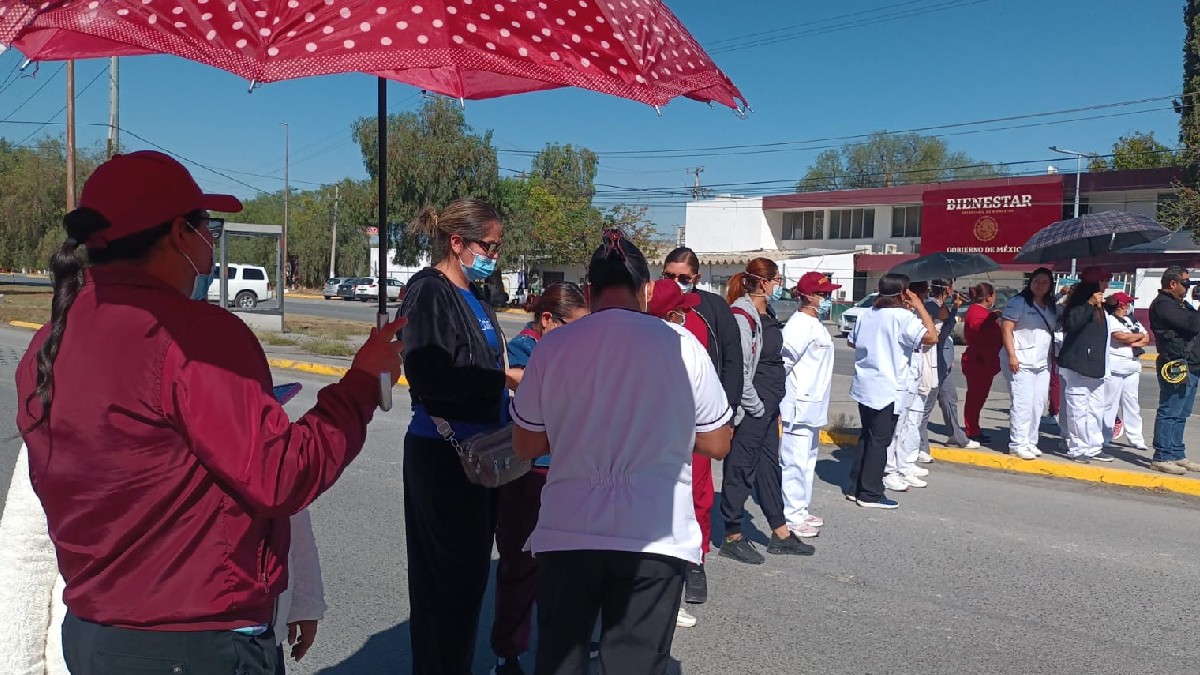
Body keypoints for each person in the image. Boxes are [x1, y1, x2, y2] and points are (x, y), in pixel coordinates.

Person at [12, 151, 404, 674]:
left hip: (92, 635)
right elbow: (281, 476)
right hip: (195, 643)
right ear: (180, 233)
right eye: (207, 228)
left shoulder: (51, 338)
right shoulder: (194, 335)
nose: (210, 243)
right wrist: (360, 385)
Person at [511, 229, 732, 675]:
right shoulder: (683, 346)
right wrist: (664, 428)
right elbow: (717, 442)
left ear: (588, 290)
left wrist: (575, 428)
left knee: (559, 662)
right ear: (646, 289)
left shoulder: (554, 346)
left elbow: (526, 444)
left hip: (569, 530)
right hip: (655, 535)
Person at [0, 445, 329, 675]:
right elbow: (26, 552)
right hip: (120, 646)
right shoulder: (69, 409)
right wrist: (19, 667)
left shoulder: (248, 397)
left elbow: (287, 505)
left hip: (253, 641)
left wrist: (304, 601)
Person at [396, 197, 513, 675]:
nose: (494, 256)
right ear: (457, 242)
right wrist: (503, 379)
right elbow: (430, 375)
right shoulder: (429, 292)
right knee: (444, 588)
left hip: (482, 455)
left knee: (466, 586)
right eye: (489, 246)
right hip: (444, 455)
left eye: (499, 247)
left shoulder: (476, 296)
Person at [491, 283, 588, 675]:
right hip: (529, 473)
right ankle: (508, 652)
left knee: (570, 565)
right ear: (547, 319)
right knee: (521, 564)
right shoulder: (522, 351)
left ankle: (570, 642)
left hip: (570, 470)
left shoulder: (572, 352)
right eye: (575, 327)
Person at [661, 248, 744, 603]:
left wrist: (727, 415)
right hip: (658, 421)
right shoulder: (651, 306)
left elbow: (733, 362)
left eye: (683, 278)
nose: (675, 283)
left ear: (695, 277)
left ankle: (696, 561)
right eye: (669, 275)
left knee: (699, 494)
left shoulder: (712, 309)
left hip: (699, 421)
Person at [719, 257, 815, 564]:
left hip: (770, 404)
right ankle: (732, 535)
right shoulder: (742, 315)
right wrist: (757, 407)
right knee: (741, 466)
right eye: (776, 280)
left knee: (769, 467)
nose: (779, 286)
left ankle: (780, 533)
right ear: (763, 282)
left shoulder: (767, 312)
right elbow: (740, 369)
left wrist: (772, 408)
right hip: (755, 405)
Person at [646, 278, 714, 628]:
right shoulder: (684, 347)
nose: (686, 317)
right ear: (672, 314)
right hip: (668, 464)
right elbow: (717, 442)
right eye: (682, 311)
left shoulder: (622, 346)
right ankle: (664, 609)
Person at [846, 274, 938, 509]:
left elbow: (851, 342)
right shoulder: (902, 317)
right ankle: (870, 493)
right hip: (888, 388)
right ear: (903, 293)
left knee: (867, 436)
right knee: (880, 441)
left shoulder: (866, 313)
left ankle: (856, 488)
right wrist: (919, 306)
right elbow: (931, 337)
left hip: (866, 384)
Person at [779, 272, 839, 538]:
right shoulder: (798, 326)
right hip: (798, 406)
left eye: (828, 294)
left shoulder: (815, 323)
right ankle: (791, 516)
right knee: (794, 462)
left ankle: (801, 509)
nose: (827, 299)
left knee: (807, 461)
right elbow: (783, 364)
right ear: (808, 296)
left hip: (813, 405)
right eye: (823, 295)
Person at [999, 268, 1057, 460]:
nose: (1040, 285)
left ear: (1050, 285)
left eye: (1044, 282)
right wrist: (1012, 355)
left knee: (1037, 404)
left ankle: (1030, 441)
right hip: (1020, 360)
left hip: (1042, 363)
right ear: (1030, 282)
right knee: (1022, 404)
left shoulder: (1050, 305)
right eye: (1036, 281)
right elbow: (1006, 329)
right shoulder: (1018, 302)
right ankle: (1017, 443)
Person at [1148, 266, 1200, 474]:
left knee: (1181, 413)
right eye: (1185, 283)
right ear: (1173, 283)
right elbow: (1192, 325)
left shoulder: (1181, 304)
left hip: (1190, 363)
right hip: (1175, 364)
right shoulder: (1163, 305)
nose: (1187, 288)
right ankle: (1162, 456)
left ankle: (1177, 453)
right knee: (1170, 410)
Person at [919, 279, 979, 457]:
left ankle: (957, 436)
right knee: (927, 404)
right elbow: (942, 334)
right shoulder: (931, 306)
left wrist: (953, 308)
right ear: (946, 289)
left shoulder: (941, 306)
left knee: (949, 399)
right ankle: (920, 445)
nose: (954, 290)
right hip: (934, 360)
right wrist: (953, 311)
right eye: (951, 287)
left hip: (944, 360)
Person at [1057, 282, 1115, 463]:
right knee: (1078, 410)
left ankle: (1094, 446)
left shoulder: (1102, 309)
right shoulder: (1077, 307)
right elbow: (1072, 324)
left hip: (1097, 368)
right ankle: (1078, 448)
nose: (1102, 291)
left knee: (1096, 410)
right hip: (1078, 366)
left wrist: (1110, 304)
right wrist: (1089, 304)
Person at [1103, 292, 1149, 452]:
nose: (1129, 305)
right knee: (1110, 403)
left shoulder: (1132, 320)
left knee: (1132, 404)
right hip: (1115, 366)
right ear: (1120, 304)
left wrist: (1135, 339)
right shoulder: (1111, 319)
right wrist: (1137, 337)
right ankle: (1105, 436)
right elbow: (1119, 336)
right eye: (1127, 302)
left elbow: (1146, 338)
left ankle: (1136, 438)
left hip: (1132, 366)